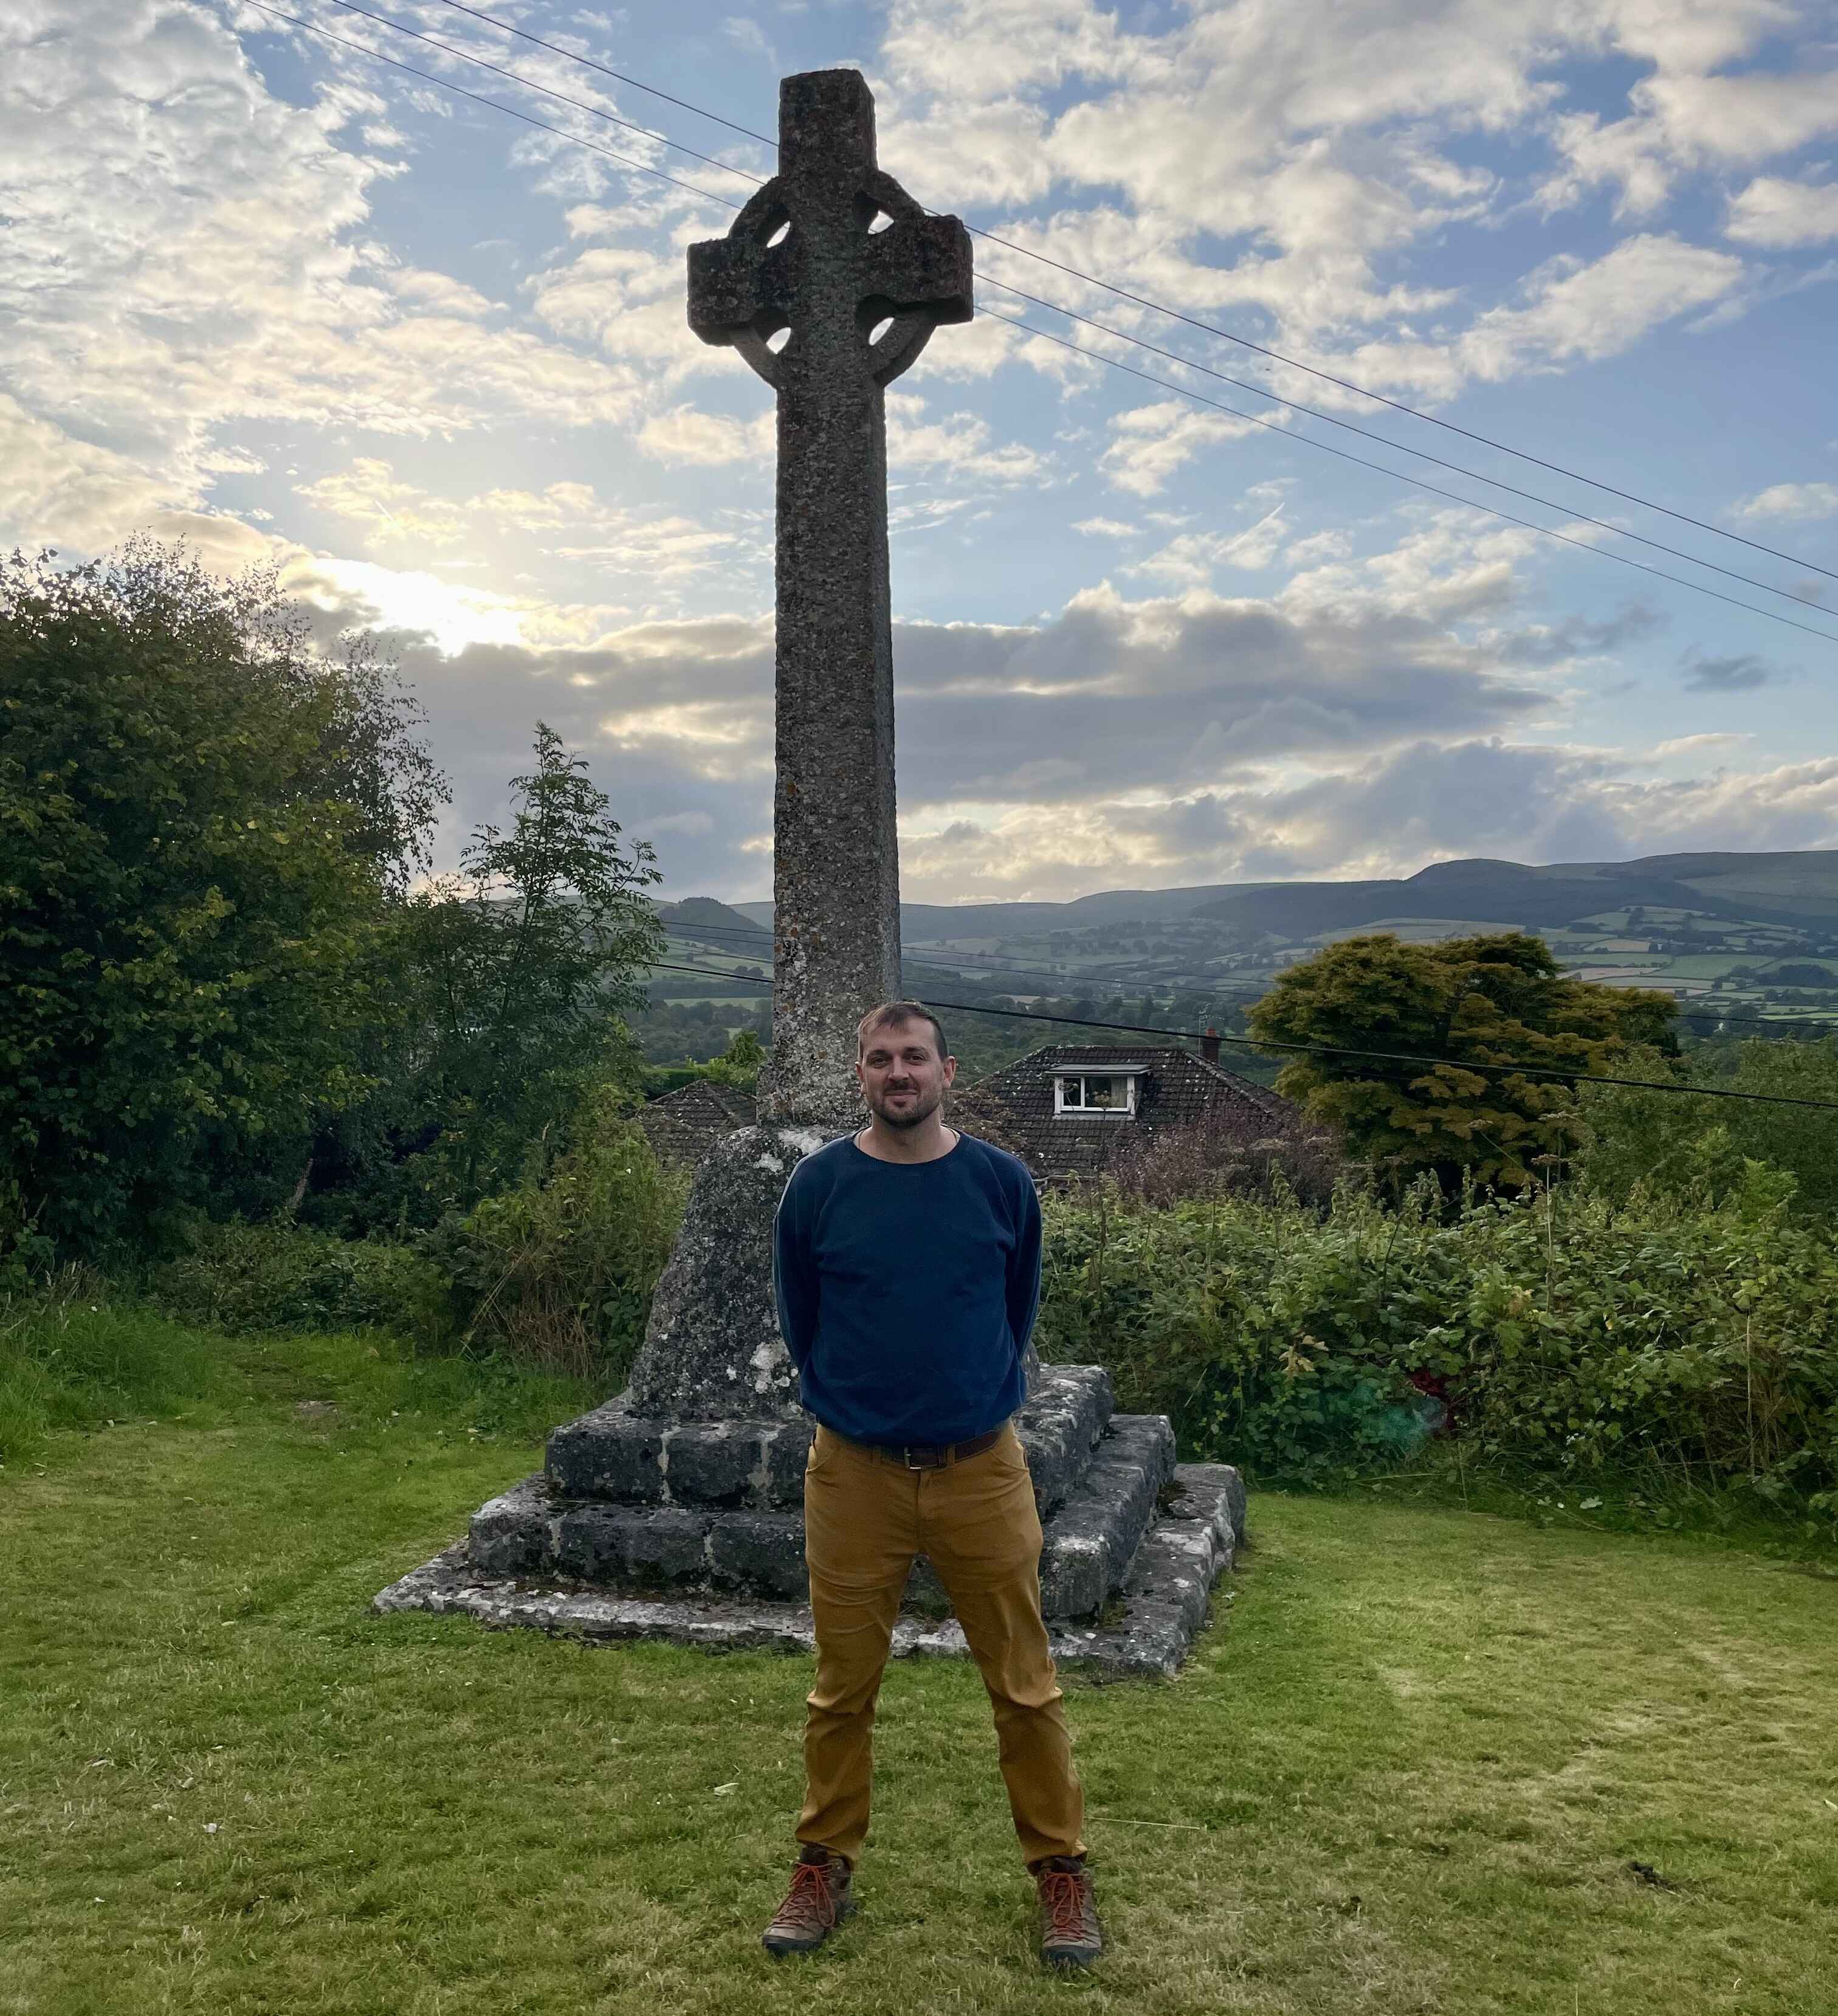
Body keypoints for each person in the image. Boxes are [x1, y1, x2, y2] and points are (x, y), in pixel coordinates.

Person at [762, 1001, 1103, 1969]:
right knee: (841, 1692)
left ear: (949, 1072)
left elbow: (1015, 1306)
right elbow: (804, 1318)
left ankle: (1062, 1873)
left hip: (980, 1472)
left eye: (914, 1057)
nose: (897, 1073)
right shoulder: (818, 1187)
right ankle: (824, 1865)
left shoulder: (1000, 1183)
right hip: (855, 1476)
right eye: (880, 1059)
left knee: (1026, 1689)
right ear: (859, 1074)